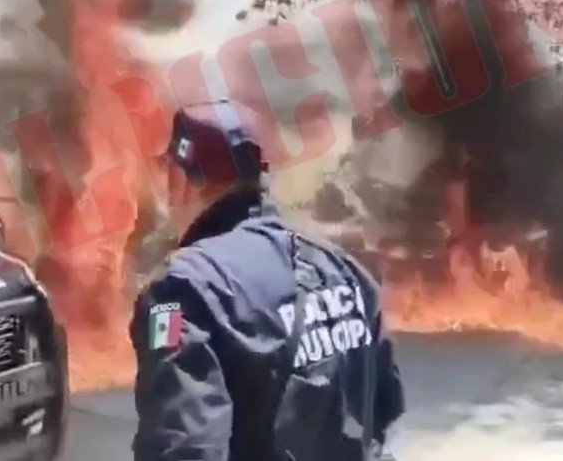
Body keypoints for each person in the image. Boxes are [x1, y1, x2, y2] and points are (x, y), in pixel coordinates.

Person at [130, 100, 404, 461]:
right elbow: (384, 409)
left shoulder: (181, 290)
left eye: (169, 173)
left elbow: (185, 443)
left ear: (181, 183)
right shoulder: (345, 271)